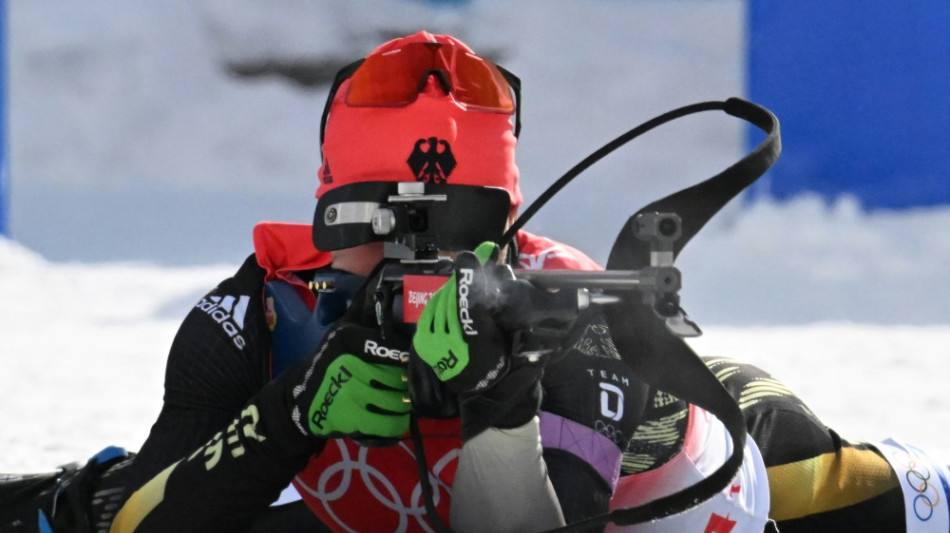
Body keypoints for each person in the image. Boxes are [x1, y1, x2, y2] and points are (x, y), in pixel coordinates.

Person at [5, 31, 947, 533]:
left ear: (509, 228)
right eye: (378, 225)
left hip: (684, 466)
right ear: (325, 211)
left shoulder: (565, 307)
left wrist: (505, 403)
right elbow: (140, 524)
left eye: (456, 231)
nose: (415, 264)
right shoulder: (256, 311)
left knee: (860, 496)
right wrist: (291, 411)